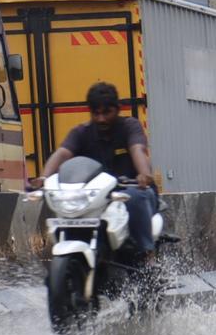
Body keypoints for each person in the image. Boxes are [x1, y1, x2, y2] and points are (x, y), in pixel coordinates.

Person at [30, 81, 159, 258]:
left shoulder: (129, 126)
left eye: (107, 112)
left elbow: (138, 150)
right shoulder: (81, 132)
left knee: (135, 198)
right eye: (96, 113)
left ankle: (147, 255)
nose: (101, 119)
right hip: (98, 195)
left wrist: (144, 174)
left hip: (131, 188)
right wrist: (44, 177)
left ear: (117, 109)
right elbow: (62, 153)